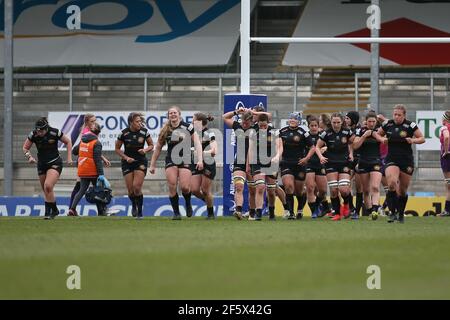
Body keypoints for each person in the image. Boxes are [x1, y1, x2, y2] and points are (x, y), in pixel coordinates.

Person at [149, 106, 203, 220]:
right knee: (172, 185)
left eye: (175, 113)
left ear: (179, 114)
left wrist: (200, 160)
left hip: (186, 159)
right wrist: (152, 164)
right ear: (168, 116)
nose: (173, 115)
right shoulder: (165, 129)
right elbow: (158, 147)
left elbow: (197, 143)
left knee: (185, 187)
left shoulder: (188, 127)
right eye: (170, 113)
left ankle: (188, 203)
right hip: (171, 160)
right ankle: (176, 213)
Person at [378, 104, 425, 223]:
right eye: (395, 114)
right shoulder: (387, 124)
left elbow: (422, 138)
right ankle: (392, 213)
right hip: (392, 158)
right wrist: (381, 139)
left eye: (399, 115)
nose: (396, 117)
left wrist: (413, 140)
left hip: (406, 160)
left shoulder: (410, 125)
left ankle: (400, 214)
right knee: (392, 183)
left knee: (402, 191)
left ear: (404, 115)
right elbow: (377, 134)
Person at [23, 117, 73, 219]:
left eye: (41, 131)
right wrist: (29, 157)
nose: (39, 133)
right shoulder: (33, 134)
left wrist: (69, 157)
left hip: (55, 162)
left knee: (48, 185)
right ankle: (52, 211)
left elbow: (68, 142)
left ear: (46, 128)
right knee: (46, 190)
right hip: (41, 164)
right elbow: (25, 147)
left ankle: (50, 212)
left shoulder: (55, 132)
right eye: (37, 130)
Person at [68, 114, 111, 216]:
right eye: (92, 121)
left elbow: (74, 151)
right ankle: (102, 211)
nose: (94, 122)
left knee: (81, 190)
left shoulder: (84, 138)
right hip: (92, 170)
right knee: (99, 190)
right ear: (98, 133)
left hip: (83, 169)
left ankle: (72, 209)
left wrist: (84, 152)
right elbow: (96, 159)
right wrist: (101, 174)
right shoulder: (96, 142)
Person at [316, 113, 355, 221]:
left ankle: (346, 205)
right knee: (333, 190)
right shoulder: (326, 133)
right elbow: (317, 146)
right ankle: (337, 214)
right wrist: (320, 157)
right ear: (331, 122)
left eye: (338, 122)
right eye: (334, 122)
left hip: (344, 163)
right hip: (331, 163)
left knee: (343, 190)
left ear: (342, 122)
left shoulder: (347, 132)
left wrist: (351, 153)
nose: (336, 125)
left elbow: (352, 143)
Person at [115, 112, 154, 218]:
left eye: (140, 121)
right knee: (131, 190)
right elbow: (117, 149)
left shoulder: (144, 132)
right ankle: (133, 205)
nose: (140, 123)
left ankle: (140, 212)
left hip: (140, 161)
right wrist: (126, 158)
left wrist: (145, 150)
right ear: (131, 122)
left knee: (137, 187)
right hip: (127, 162)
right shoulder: (123, 133)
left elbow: (151, 145)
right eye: (137, 121)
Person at [279, 112, 314, 220]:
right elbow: (278, 145)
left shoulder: (304, 133)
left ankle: (299, 210)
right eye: (291, 118)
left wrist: (306, 158)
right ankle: (291, 212)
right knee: (289, 187)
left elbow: (313, 147)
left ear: (299, 121)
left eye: (295, 119)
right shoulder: (282, 132)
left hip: (299, 164)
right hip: (286, 163)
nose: (292, 120)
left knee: (299, 191)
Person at [248, 113, 283, 220]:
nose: (263, 128)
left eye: (265, 126)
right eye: (260, 126)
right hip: (257, 162)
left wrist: (277, 156)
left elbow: (279, 146)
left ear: (268, 123)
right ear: (257, 124)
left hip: (271, 162)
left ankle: (271, 211)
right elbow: (251, 149)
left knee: (271, 191)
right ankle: (258, 213)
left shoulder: (274, 131)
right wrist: (249, 164)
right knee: (260, 187)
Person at [223, 107, 254, 220]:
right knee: (239, 186)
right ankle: (239, 210)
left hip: (253, 162)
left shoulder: (255, 129)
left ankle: (252, 211)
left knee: (252, 189)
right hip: (239, 162)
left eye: (247, 123)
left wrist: (254, 112)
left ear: (251, 121)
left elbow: (268, 116)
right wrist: (236, 112)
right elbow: (225, 117)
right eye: (243, 122)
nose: (244, 125)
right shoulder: (237, 126)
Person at [353, 111, 385, 219]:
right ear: (366, 122)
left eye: (373, 121)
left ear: (376, 122)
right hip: (363, 162)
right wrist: (363, 137)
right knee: (365, 190)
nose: (371, 123)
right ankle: (371, 211)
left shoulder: (380, 131)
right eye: (369, 121)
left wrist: (378, 136)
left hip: (376, 161)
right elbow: (355, 146)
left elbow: (385, 140)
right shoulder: (360, 131)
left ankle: (375, 210)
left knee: (375, 187)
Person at [190, 113, 217, 219]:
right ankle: (209, 201)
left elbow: (214, 150)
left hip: (208, 164)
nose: (192, 122)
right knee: (194, 190)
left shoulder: (209, 133)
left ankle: (210, 213)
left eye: (194, 120)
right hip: (196, 163)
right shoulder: (192, 133)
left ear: (200, 122)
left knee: (205, 190)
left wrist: (201, 153)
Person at [305, 115, 331, 218]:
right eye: (311, 125)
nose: (314, 127)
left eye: (315, 125)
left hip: (321, 164)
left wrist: (326, 147)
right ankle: (314, 211)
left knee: (323, 191)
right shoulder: (305, 136)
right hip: (309, 164)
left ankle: (316, 205)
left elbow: (332, 144)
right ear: (308, 126)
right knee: (310, 188)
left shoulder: (323, 135)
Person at [345, 111, 361, 218]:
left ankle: (357, 212)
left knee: (359, 188)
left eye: (347, 118)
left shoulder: (359, 130)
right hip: (348, 160)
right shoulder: (345, 130)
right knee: (346, 186)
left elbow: (355, 144)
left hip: (359, 159)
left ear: (353, 120)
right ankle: (351, 207)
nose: (345, 120)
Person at [439, 111, 450, 217]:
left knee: (448, 184)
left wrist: (446, 151)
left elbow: (446, 137)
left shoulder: (444, 127)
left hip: (447, 157)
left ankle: (447, 210)